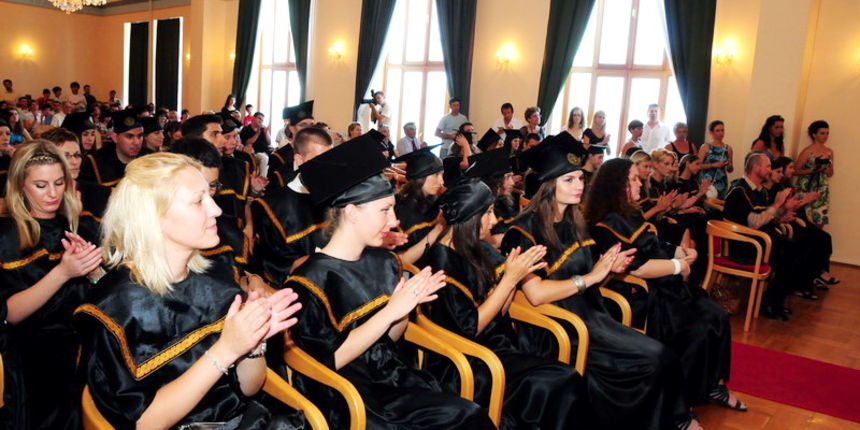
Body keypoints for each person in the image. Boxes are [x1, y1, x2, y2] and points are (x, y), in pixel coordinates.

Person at [73, 152, 304, 428]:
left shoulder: (217, 280)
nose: (216, 209)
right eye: (198, 201)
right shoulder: (114, 309)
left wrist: (253, 343)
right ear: (154, 217)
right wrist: (225, 350)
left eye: (210, 195)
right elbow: (144, 423)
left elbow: (249, 389)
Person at [286, 135, 495, 429]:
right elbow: (328, 363)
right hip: (348, 398)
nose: (394, 220)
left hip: (391, 380)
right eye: (384, 210)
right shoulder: (309, 281)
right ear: (351, 211)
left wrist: (406, 306)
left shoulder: (384, 261)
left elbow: (389, 340)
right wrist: (392, 310)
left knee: (468, 414)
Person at [500, 141, 691, 429]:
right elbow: (536, 294)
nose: (579, 185)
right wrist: (591, 278)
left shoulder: (575, 221)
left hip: (592, 314)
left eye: (580, 178)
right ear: (549, 185)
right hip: (557, 327)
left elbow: (593, 276)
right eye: (569, 179)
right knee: (651, 359)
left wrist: (609, 271)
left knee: (660, 355)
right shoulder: (523, 231)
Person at [420, 177, 585, 429]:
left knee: (562, 375)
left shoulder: (475, 250)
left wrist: (513, 277)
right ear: (470, 217)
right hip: (464, 362)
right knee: (556, 379)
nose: (494, 220)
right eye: (487, 212)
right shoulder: (441, 264)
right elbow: (470, 329)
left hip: (495, 348)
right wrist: (509, 280)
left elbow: (500, 312)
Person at [587, 157, 744, 419]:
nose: (641, 183)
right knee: (696, 327)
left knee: (716, 315)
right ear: (618, 186)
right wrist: (676, 266)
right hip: (641, 293)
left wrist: (681, 251)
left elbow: (653, 244)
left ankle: (713, 385)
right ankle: (680, 405)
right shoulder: (606, 224)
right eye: (635, 179)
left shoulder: (631, 212)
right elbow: (636, 267)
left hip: (665, 285)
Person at [0, 140, 103, 428]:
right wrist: (63, 272)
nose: (53, 193)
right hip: (32, 361)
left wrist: (94, 271)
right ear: (20, 185)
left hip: (82, 356)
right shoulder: (6, 237)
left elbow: (106, 297)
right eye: (41, 185)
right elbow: (10, 313)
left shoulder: (80, 228)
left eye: (59, 182)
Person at [250, 127, 333, 287]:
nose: (326, 167)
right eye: (319, 159)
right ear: (299, 160)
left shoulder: (337, 196)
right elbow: (280, 266)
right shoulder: (271, 208)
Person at [42, 127, 112, 223]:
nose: (74, 162)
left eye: (77, 155)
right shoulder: (42, 197)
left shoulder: (91, 190)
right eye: (65, 156)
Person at [391, 144, 446, 261]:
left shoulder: (432, 201)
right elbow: (400, 261)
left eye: (442, 174)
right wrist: (438, 229)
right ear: (420, 176)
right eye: (436, 175)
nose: (442, 181)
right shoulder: (402, 210)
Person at [80, 109, 143, 186]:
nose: (136, 142)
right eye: (129, 136)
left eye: (140, 136)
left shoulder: (149, 159)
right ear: (114, 138)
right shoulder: (95, 162)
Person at [793, 120, 834, 227]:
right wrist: (813, 170)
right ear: (814, 134)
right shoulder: (807, 151)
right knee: (804, 220)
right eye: (822, 133)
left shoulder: (829, 152)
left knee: (820, 221)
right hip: (806, 188)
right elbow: (795, 171)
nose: (825, 136)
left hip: (821, 189)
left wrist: (824, 168)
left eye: (827, 133)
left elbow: (830, 173)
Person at [268, 100, 314, 186]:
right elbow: (272, 190)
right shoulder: (279, 158)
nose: (308, 129)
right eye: (303, 125)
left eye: (311, 125)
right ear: (291, 128)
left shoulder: (316, 153)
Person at [697, 120, 734, 199]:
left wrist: (729, 166)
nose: (721, 133)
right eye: (717, 131)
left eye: (722, 130)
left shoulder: (728, 148)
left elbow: (730, 170)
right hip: (706, 181)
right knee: (706, 205)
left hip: (721, 181)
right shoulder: (705, 147)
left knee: (718, 206)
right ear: (711, 132)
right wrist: (713, 165)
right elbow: (698, 165)